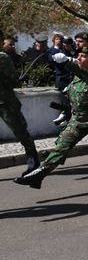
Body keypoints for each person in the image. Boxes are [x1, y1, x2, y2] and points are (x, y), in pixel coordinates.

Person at [14, 47, 88, 191]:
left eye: (83, 56)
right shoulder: (77, 78)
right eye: (78, 55)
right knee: (60, 147)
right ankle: (39, 175)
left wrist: (67, 63)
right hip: (77, 121)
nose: (79, 57)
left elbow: (85, 76)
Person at [1, 40, 40, 177]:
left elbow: (12, 80)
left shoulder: (3, 57)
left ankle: (33, 160)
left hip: (6, 102)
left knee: (20, 131)